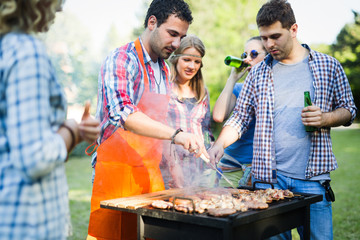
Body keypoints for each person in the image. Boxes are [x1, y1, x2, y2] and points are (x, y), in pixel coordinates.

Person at [208, 0, 357, 239]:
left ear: (294, 29)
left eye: (275, 36)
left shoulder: (329, 66)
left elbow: (349, 110)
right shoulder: (257, 73)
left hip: (312, 179)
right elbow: (239, 118)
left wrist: (326, 117)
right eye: (264, 38)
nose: (269, 44)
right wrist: (218, 145)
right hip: (267, 182)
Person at [87, 1, 208, 239]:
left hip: (151, 174)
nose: (176, 44)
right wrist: (178, 134)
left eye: (181, 36)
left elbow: (158, 121)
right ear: (152, 22)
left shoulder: (163, 69)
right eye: (172, 34)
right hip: (117, 173)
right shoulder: (122, 59)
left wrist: (175, 167)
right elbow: (124, 114)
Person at [0, 0, 100, 239]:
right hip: (28, 223)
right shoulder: (26, 51)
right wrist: (72, 129)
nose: (61, 8)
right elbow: (35, 158)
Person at [212, 36, 267, 188]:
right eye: (245, 55)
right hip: (232, 165)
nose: (248, 59)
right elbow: (218, 116)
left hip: (260, 168)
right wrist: (233, 78)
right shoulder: (239, 89)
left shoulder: (275, 90)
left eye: (254, 54)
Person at [161, 35, 214, 189]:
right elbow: (160, 132)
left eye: (197, 61)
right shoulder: (164, 89)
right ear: (176, 59)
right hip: (170, 166)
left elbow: (206, 130)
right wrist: (173, 165)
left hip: (199, 168)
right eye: (187, 60)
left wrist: (211, 151)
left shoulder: (203, 92)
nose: (192, 66)